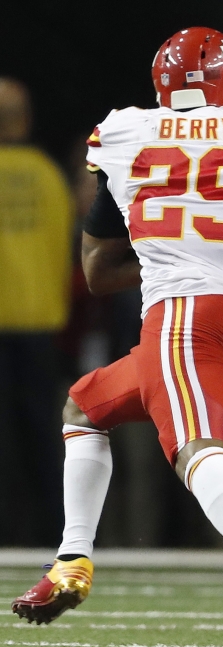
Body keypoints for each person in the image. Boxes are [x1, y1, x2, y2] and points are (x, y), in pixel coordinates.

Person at [11, 28, 223, 647]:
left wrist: (167, 256)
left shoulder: (125, 133)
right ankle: (71, 560)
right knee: (85, 405)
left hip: (180, 316)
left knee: (189, 447)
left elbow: (98, 272)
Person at [0, 78, 74, 545]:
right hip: (40, 325)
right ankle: (55, 537)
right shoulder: (50, 176)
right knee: (44, 440)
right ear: (25, 120)